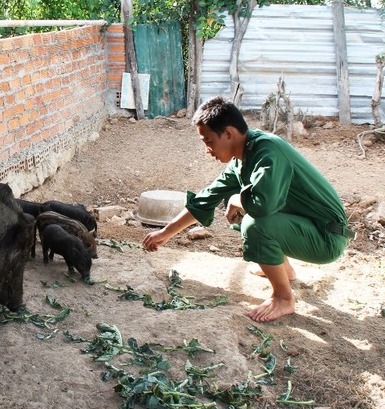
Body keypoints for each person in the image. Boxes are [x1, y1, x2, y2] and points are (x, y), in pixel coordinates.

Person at [142, 96, 353, 322]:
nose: (207, 149)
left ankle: (283, 298)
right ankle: (285, 270)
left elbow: (264, 206)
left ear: (229, 134)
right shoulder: (243, 157)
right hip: (309, 229)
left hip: (327, 238)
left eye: (209, 141)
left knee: (254, 223)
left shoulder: (268, 152)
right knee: (246, 214)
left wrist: (238, 199)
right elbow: (206, 199)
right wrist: (165, 234)